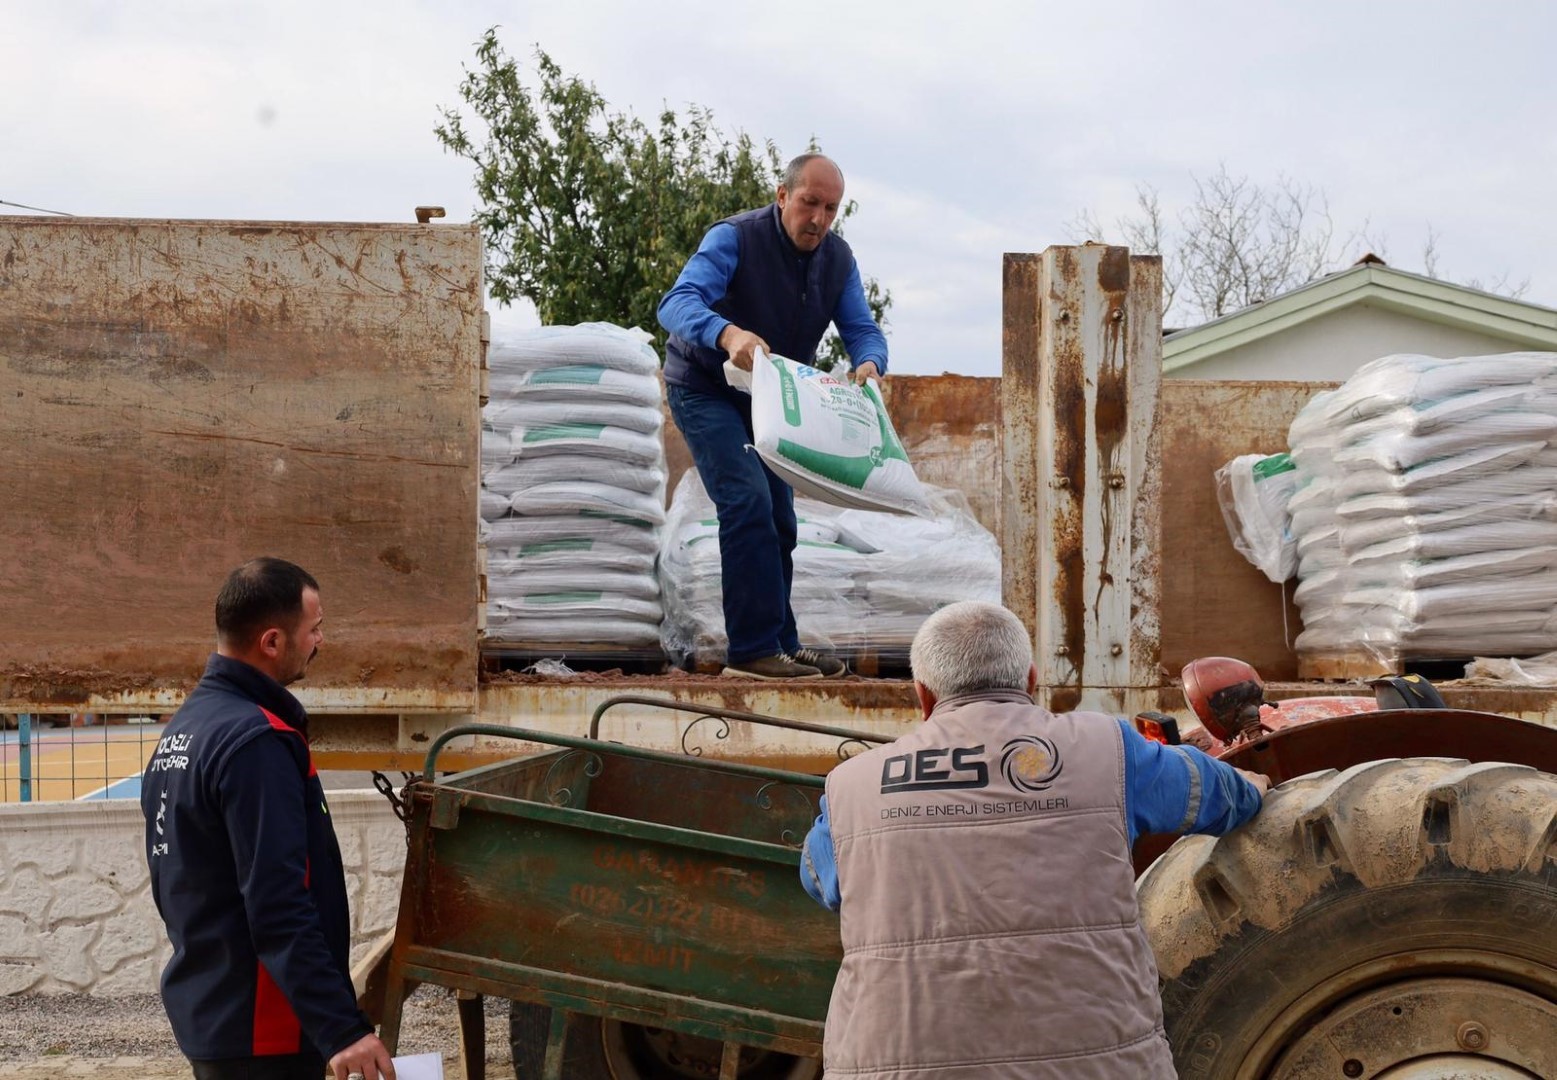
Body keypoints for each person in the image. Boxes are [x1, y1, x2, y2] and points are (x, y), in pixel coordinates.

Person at [800, 601, 1269, 1079]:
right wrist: (1249, 786)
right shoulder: (1108, 750)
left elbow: (820, 881)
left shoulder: (852, 786)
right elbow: (1215, 794)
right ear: (1030, 681)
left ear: (923, 695)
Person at [141, 558, 394, 1080]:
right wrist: (340, 1028)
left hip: (216, 1013)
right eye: (314, 628)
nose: (320, 641)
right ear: (272, 641)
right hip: (263, 1030)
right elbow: (278, 902)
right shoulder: (257, 742)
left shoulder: (186, 729)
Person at [658, 152, 889, 681]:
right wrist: (727, 334)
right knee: (747, 499)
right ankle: (751, 651)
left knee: (782, 518)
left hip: (770, 400)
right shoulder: (736, 238)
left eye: (831, 209)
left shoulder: (838, 260)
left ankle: (781, 644)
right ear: (783, 195)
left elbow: (861, 328)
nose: (819, 219)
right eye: (809, 203)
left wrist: (870, 363)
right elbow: (676, 302)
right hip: (705, 388)